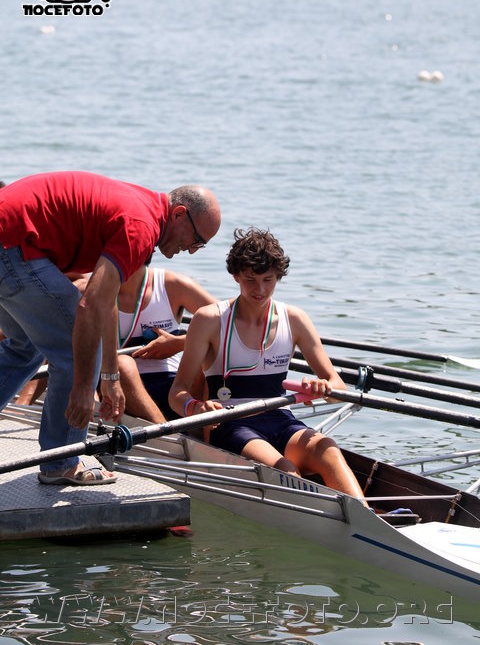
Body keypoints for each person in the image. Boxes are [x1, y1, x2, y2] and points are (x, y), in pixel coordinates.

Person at [0, 171, 221, 485]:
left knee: (25, 345)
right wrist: (81, 387)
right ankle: (61, 462)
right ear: (179, 215)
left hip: (9, 239)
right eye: (198, 240)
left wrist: (110, 377)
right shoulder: (142, 227)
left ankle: (60, 455)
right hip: (13, 245)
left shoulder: (143, 213)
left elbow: (106, 300)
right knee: (74, 348)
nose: (194, 250)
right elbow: (89, 307)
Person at [169, 228, 366, 502]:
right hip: (229, 422)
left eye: (268, 280)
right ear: (235, 275)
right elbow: (176, 393)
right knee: (284, 469)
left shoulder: (295, 318)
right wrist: (197, 407)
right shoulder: (209, 320)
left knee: (329, 450)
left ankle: (366, 518)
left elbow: (337, 387)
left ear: (278, 277)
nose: (259, 290)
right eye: (250, 279)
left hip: (279, 418)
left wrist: (322, 387)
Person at [117, 263, 216, 423]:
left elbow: (230, 325)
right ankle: (168, 436)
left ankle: (203, 435)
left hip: (174, 386)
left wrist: (179, 343)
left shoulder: (173, 285)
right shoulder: (92, 291)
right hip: (121, 387)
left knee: (208, 354)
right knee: (123, 365)